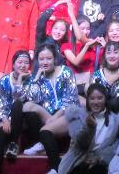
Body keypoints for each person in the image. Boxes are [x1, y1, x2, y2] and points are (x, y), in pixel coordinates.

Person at [21, 43, 79, 172]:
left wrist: (55, 117)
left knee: (45, 131)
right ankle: (42, 143)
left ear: (55, 59)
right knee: (27, 106)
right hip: (49, 115)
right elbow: (32, 98)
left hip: (67, 114)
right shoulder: (39, 77)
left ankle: (55, 168)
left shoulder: (65, 72)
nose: (45, 62)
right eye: (41, 59)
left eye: (48, 59)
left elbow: (71, 100)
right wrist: (36, 78)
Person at [57, 83, 119, 174]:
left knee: (98, 169)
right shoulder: (78, 115)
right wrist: (89, 128)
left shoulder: (115, 120)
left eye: (100, 98)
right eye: (92, 98)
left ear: (105, 99)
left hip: (100, 163)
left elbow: (114, 147)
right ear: (88, 100)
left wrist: (99, 158)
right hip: (76, 161)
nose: (96, 102)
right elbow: (80, 143)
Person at [0, 50, 33, 174]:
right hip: (9, 118)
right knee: (2, 133)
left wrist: (20, 80)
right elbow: (0, 103)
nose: (23, 65)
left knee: (17, 104)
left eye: (26, 63)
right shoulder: (4, 80)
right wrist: (4, 120)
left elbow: (23, 99)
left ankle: (13, 144)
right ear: (13, 64)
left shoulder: (31, 81)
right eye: (20, 62)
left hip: (25, 118)